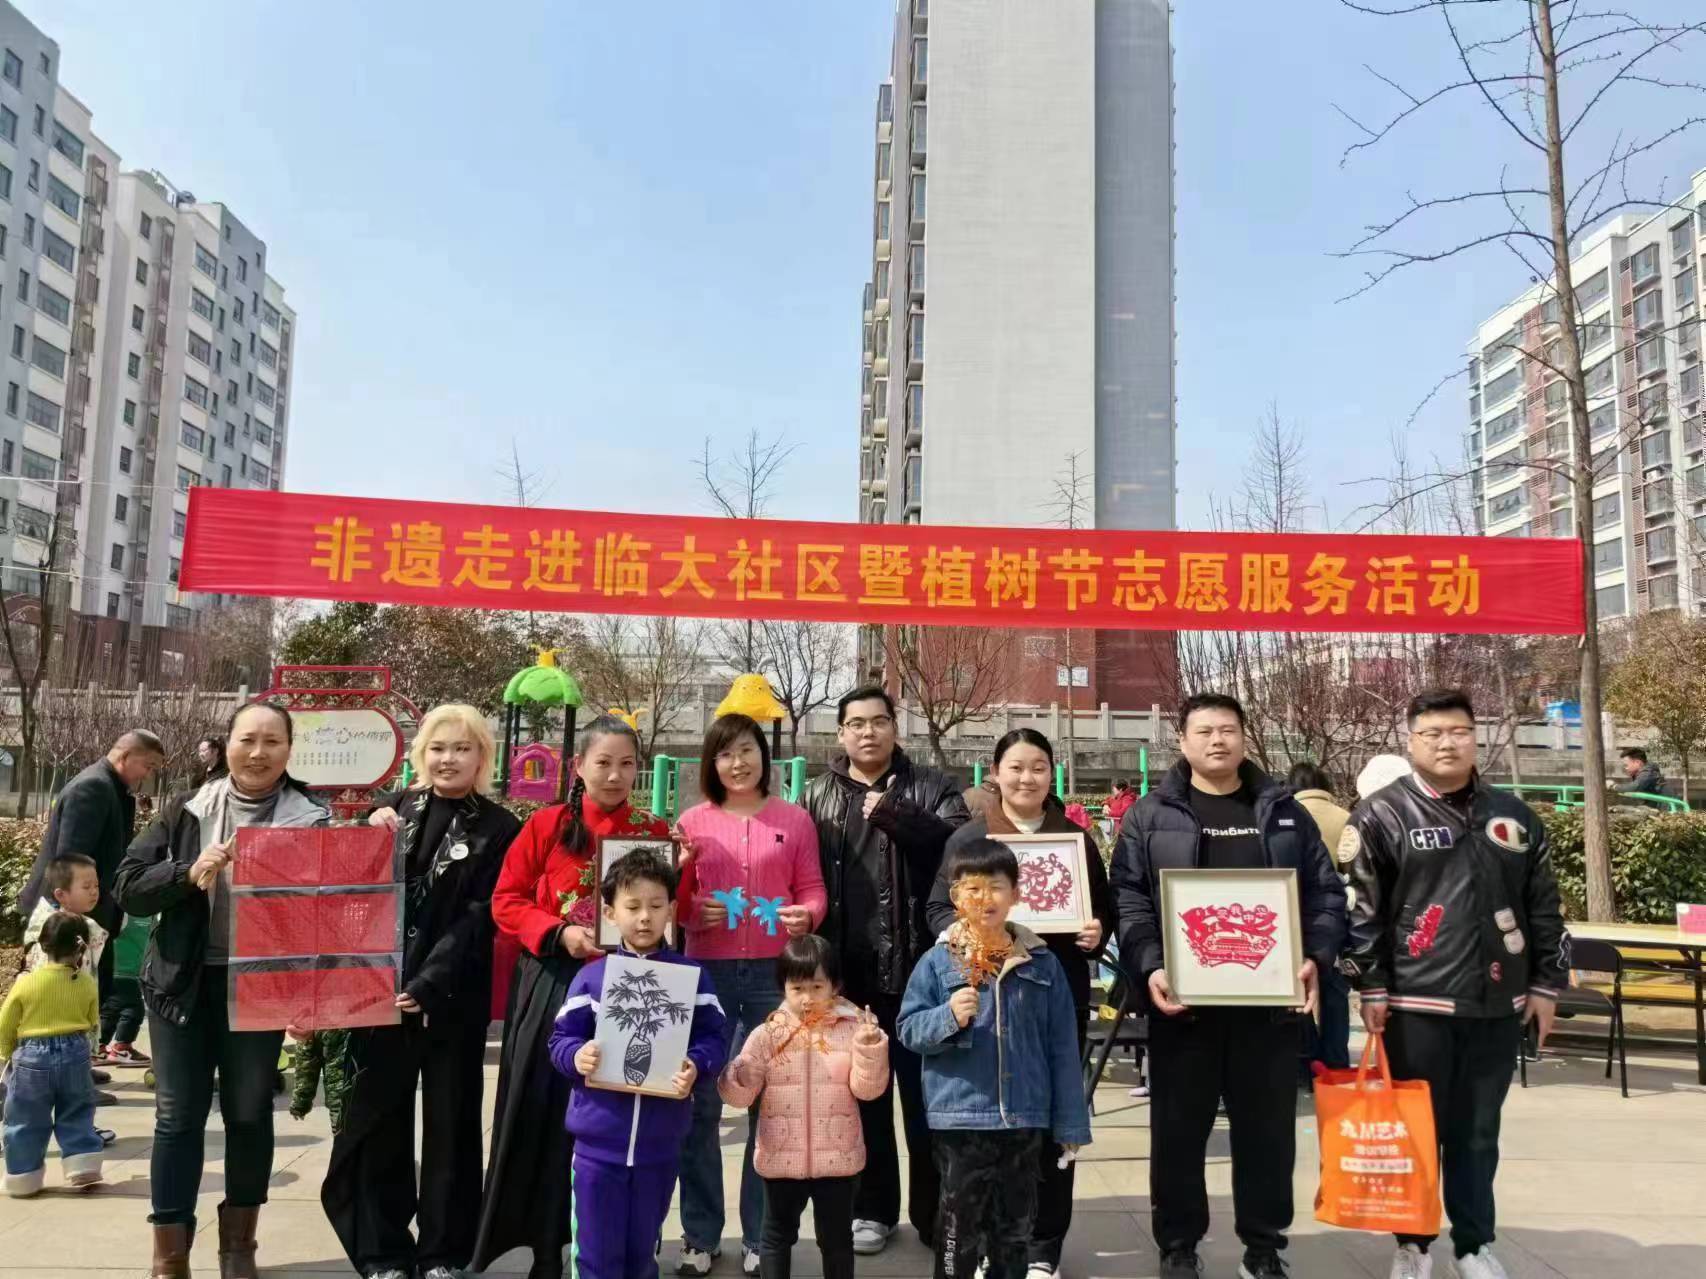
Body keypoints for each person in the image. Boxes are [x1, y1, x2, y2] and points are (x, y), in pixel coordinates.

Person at [1111, 693, 1345, 1279]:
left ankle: (1264, 1248)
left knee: (1267, 1136)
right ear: (1183, 741)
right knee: (1177, 1134)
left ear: (1244, 737)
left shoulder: (1285, 812)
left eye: (1228, 730)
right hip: (1182, 1007)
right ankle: (1178, 1246)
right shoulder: (1150, 815)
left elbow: (1324, 896)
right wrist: (1150, 965)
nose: (1218, 740)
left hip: (1267, 1010)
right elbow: (1131, 899)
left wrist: (1315, 954)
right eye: (1205, 731)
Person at [1342, 689, 1567, 1279]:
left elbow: (1543, 907)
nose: (1448, 742)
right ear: (1411, 741)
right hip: (1415, 1004)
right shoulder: (1382, 815)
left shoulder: (1514, 817)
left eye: (1459, 731)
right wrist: (1371, 987)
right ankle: (1412, 1243)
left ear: (1477, 737)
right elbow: (1362, 912)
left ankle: (1473, 1244)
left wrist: (1546, 983)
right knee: (1415, 1133)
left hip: (1497, 1004)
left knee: (1477, 1133)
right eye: (1433, 733)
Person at [114, 702, 329, 1279]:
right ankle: (170, 1255)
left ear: (290, 749)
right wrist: (185, 872)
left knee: (250, 1114)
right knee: (178, 1117)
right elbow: (128, 888)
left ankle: (238, 1248)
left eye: (272, 742)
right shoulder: (187, 810)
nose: (258, 753)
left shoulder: (312, 818)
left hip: (259, 986)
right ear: (227, 744)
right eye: (247, 740)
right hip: (181, 984)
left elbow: (334, 914)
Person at [320, 704, 523, 1279]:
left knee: (450, 1126)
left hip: (451, 999)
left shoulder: (499, 827)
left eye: (461, 748)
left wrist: (431, 981)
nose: (448, 759)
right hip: (378, 995)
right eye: (437, 748)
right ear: (419, 754)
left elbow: (482, 917)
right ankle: (382, 1250)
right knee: (378, 1121)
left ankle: (443, 1251)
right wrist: (361, 836)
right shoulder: (391, 811)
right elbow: (348, 896)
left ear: (482, 757)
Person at [472, 714, 676, 1279]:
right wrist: (559, 932)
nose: (614, 774)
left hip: (632, 985)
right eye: (603, 762)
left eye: (626, 763)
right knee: (544, 1115)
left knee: (618, 1114)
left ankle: (623, 1242)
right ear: (578, 766)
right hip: (554, 983)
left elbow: (668, 907)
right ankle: (545, 1247)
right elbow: (507, 900)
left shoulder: (654, 830)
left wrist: (692, 873)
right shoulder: (545, 825)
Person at [925, 728, 1116, 1279]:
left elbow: (1100, 913)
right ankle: (986, 1242)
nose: (1027, 778)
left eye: (1038, 767)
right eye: (1016, 767)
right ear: (996, 772)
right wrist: (968, 934)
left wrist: (1094, 933)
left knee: (1055, 1110)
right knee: (987, 1123)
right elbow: (937, 911)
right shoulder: (969, 839)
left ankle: (1042, 1246)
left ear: (1051, 773)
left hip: (1054, 997)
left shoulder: (1076, 840)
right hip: (983, 997)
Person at [799, 685, 970, 1254]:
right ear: (841, 732)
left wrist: (896, 813)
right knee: (864, 1101)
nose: (867, 732)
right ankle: (872, 1210)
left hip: (923, 974)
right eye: (855, 723)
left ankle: (931, 1213)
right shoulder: (819, 796)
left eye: (878, 721)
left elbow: (961, 850)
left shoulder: (932, 786)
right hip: (851, 974)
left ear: (896, 727)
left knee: (926, 1106)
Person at [676, 713, 827, 1276]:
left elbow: (811, 887)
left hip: (773, 975)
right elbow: (673, 899)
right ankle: (700, 1233)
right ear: (710, 763)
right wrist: (692, 911)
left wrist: (805, 915)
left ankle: (764, 1236)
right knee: (699, 1104)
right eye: (724, 754)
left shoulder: (794, 820)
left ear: (764, 756)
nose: (737, 763)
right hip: (705, 976)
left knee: (770, 1103)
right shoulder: (691, 822)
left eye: (746, 750)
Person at [899, 836, 1091, 1279]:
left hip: (1024, 1119)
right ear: (955, 896)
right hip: (961, 1119)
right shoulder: (936, 962)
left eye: (997, 886)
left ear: (1017, 894)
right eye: (973, 888)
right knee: (957, 1228)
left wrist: (1070, 1123)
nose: (985, 898)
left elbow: (1062, 1047)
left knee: (1015, 1228)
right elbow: (909, 1030)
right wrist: (947, 1017)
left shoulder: (1041, 963)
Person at [549, 849, 728, 1279]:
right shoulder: (592, 977)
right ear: (610, 913)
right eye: (632, 907)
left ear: (672, 910)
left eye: (655, 905)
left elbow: (715, 1036)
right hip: (596, 1146)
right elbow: (560, 1039)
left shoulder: (692, 978)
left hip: (660, 1145)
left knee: (642, 1254)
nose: (644, 917)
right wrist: (578, 1056)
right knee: (594, 1256)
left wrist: (696, 1064)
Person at [719, 934, 890, 1279]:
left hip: (838, 1160)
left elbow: (868, 1091)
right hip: (780, 1158)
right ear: (783, 987)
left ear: (835, 985)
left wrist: (871, 1050)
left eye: (816, 986)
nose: (807, 998)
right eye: (797, 988)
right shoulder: (767, 1033)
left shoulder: (854, 1028)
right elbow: (737, 1098)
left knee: (837, 1240)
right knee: (776, 1237)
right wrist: (740, 1075)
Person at [17, 730, 166, 1067]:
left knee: (93, 995)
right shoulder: (94, 788)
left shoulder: (110, 788)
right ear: (126, 756)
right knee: (69, 1000)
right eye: (148, 764)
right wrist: (76, 920)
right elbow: (72, 859)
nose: (149, 774)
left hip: (90, 912)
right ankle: (68, 1073)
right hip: (70, 917)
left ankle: (81, 1067)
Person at [1, 912, 104, 1197]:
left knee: (25, 1116)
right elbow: (93, 1020)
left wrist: (7, 1052)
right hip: (75, 1050)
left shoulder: (26, 982)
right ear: (81, 948)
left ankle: (23, 1176)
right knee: (78, 1109)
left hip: (32, 1056)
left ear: (43, 944)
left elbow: (5, 1021)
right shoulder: (85, 983)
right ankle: (82, 1163)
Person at [1287, 762, 1353, 1074]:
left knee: (1297, 993)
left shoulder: (1284, 817)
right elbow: (1353, 872)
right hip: (1334, 916)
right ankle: (1336, 1061)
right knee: (1335, 993)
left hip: (1292, 916)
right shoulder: (1345, 818)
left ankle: (1305, 1060)